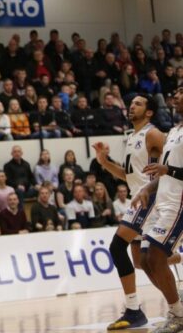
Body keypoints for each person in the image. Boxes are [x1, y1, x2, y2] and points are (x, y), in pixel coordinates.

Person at [92, 94, 165, 329]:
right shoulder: (132, 136)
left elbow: (174, 161)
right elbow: (128, 176)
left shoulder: (153, 134)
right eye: (131, 103)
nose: (132, 106)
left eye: (138, 104)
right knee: (143, 262)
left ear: (149, 112)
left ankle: (134, 309)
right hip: (137, 199)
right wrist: (105, 162)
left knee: (117, 247)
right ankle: (173, 298)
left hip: (150, 199)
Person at [132, 85, 183, 333]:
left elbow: (168, 171)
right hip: (161, 200)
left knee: (155, 256)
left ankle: (178, 314)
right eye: (176, 91)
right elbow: (164, 173)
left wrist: (168, 170)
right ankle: (178, 305)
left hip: (178, 203)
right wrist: (147, 189)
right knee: (144, 260)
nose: (176, 95)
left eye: (182, 91)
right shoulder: (173, 131)